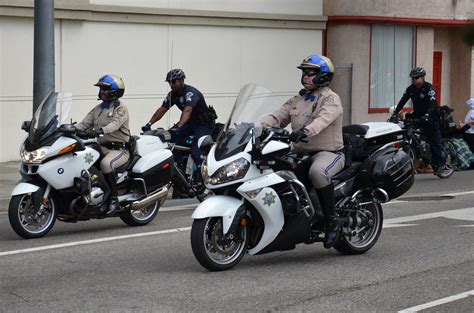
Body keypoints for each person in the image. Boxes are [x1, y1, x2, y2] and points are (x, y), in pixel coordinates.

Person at [257, 55, 345, 249]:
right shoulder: (299, 99)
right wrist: (252, 127)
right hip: (300, 153)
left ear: (323, 76)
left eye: (311, 73)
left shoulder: (331, 99)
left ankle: (332, 221)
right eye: (304, 73)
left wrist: (305, 131)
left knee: (317, 173)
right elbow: (277, 116)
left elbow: (322, 120)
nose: (306, 77)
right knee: (275, 176)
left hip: (328, 153)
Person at [141, 69, 216, 196]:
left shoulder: (191, 93)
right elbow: (162, 110)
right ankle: (180, 167)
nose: (172, 84)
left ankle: (206, 181)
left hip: (202, 124)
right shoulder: (172, 95)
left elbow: (187, 111)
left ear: (182, 80)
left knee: (196, 151)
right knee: (168, 139)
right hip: (189, 124)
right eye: (170, 82)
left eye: (174, 81)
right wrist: (149, 124)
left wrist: (179, 127)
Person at [76, 74, 130, 215]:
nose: (102, 92)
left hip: (118, 149)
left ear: (114, 90)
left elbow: (114, 125)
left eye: (105, 89)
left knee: (106, 164)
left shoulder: (120, 108)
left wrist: (99, 131)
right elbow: (83, 124)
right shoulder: (98, 108)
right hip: (101, 147)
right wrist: (68, 129)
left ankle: (114, 199)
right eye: (101, 89)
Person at [392, 67, 448, 176]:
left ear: (423, 77)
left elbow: (432, 105)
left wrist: (428, 115)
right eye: (412, 78)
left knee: (434, 141)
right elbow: (402, 101)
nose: (414, 80)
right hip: (418, 114)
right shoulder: (411, 89)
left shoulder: (429, 88)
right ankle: (417, 155)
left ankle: (441, 164)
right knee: (407, 129)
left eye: (416, 78)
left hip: (431, 116)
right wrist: (395, 113)